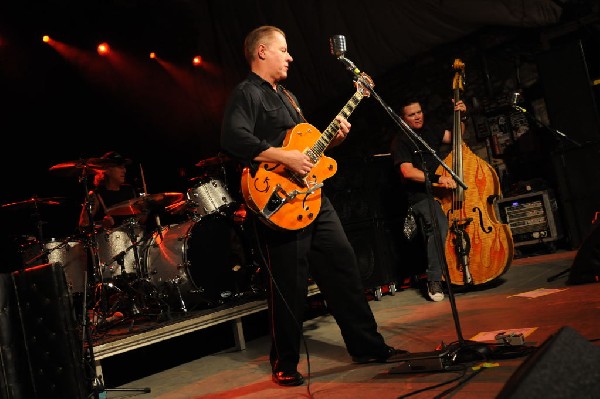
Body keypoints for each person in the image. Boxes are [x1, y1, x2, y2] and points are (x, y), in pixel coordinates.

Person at [220, 25, 407, 387]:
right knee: (289, 287)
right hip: (278, 203)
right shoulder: (246, 93)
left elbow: (305, 151)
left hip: (313, 198)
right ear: (262, 52)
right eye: (283, 50)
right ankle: (285, 363)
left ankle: (368, 346)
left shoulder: (288, 96)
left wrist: (330, 141)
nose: (290, 56)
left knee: (344, 268)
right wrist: (285, 158)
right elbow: (233, 138)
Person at [390, 98, 467, 302]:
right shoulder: (401, 141)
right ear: (403, 119)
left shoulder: (430, 131)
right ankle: (433, 280)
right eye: (412, 114)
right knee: (438, 225)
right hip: (420, 195)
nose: (417, 116)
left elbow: (456, 139)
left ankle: (463, 271)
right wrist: (437, 179)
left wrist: (461, 115)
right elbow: (408, 172)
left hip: (442, 190)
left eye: (419, 112)